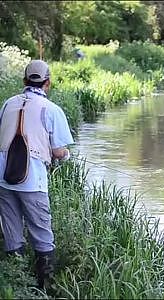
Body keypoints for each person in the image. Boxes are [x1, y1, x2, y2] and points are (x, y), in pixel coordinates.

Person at [0, 59, 74, 290]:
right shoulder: (52, 110)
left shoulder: (7, 104)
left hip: (2, 177)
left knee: (12, 233)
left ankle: (16, 285)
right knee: (42, 233)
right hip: (32, 181)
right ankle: (44, 287)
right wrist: (66, 156)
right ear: (48, 83)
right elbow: (58, 151)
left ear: (24, 81)